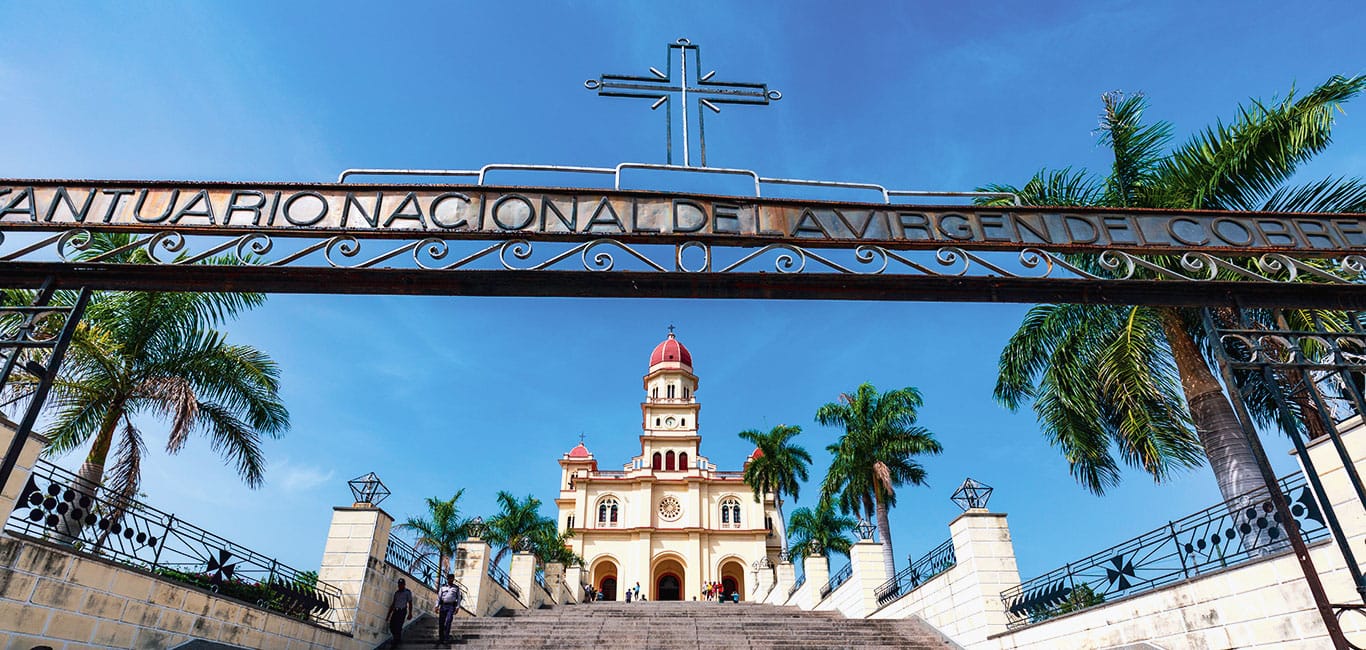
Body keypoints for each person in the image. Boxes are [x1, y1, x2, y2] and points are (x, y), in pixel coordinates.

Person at [436, 573, 463, 647]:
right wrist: (436, 606)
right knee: (441, 622)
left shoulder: (456, 588)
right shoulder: (443, 587)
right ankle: (441, 638)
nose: (451, 579)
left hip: (451, 606)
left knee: (448, 621)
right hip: (443, 606)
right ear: (447, 579)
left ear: (453, 579)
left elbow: (459, 598)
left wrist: (457, 607)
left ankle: (446, 638)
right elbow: (439, 597)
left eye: (452, 578)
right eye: (449, 578)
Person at [388, 578, 413, 646]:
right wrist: (388, 615)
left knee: (398, 626)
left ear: (404, 585)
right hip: (395, 611)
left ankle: (396, 641)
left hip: (402, 611)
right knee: (391, 626)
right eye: (399, 585)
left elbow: (410, 603)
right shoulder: (396, 593)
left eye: (401, 584)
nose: (400, 586)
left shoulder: (407, 592)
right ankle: (397, 639)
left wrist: (410, 613)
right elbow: (393, 604)